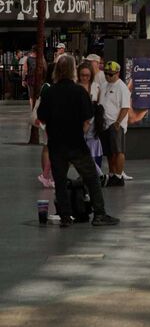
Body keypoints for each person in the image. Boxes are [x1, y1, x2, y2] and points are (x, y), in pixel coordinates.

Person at [36, 53, 119, 227]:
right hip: (76, 143)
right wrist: (79, 132)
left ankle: (65, 217)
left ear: (57, 71)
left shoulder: (49, 92)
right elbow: (87, 119)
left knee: (60, 181)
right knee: (91, 178)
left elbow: (41, 117)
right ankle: (99, 214)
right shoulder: (79, 92)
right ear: (73, 71)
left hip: (56, 144)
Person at [99, 60, 131, 186]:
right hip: (105, 124)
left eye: (110, 74)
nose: (108, 76)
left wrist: (118, 122)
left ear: (117, 73)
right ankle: (112, 173)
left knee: (118, 151)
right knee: (109, 152)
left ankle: (118, 175)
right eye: (106, 73)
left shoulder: (121, 87)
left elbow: (125, 107)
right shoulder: (104, 85)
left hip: (115, 123)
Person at [77, 61, 104, 173]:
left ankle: (97, 174)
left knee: (93, 147)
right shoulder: (75, 87)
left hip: (93, 122)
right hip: (78, 120)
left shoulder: (95, 86)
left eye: (87, 75)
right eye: (82, 75)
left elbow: (99, 104)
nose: (85, 78)